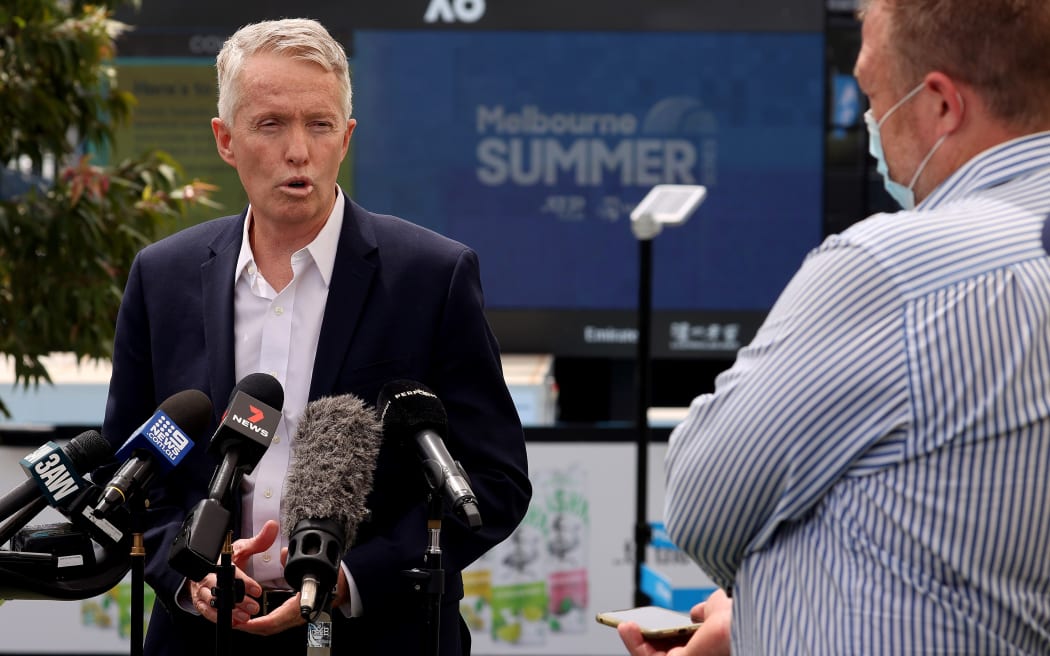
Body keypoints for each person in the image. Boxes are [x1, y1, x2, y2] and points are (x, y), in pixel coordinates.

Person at [622, 0, 1050, 653]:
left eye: (875, 94)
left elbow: (703, 505)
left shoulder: (898, 270)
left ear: (940, 104)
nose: (872, 122)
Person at [100, 17, 531, 656]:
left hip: (379, 635)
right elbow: (132, 470)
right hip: (200, 635)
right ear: (225, 139)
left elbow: (493, 480)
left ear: (346, 137)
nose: (298, 150)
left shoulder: (431, 276)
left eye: (319, 124)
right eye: (271, 124)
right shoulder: (162, 276)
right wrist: (184, 574)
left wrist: (349, 580)